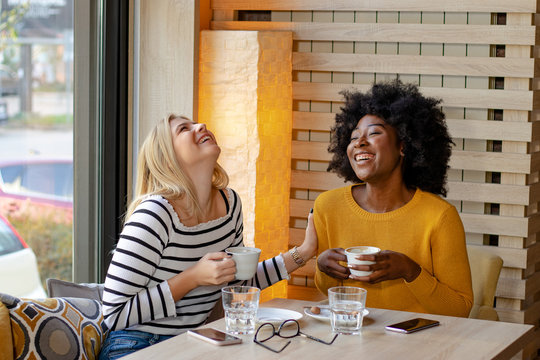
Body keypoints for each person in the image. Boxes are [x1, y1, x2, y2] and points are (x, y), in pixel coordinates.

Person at [99, 114, 317, 359]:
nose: (201, 126)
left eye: (196, 123)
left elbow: (237, 285)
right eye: (184, 129)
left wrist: (305, 252)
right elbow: (114, 314)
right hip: (135, 344)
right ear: (167, 159)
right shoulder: (155, 215)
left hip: (192, 345)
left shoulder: (230, 204)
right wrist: (193, 277)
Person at [314, 79, 473, 317]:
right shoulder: (327, 206)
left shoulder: (439, 216)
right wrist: (323, 267)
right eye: (354, 137)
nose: (359, 142)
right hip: (351, 338)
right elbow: (329, 290)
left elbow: (460, 308)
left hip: (417, 343)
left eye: (374, 132)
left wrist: (409, 271)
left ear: (404, 146)